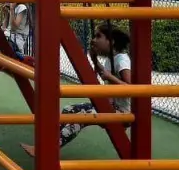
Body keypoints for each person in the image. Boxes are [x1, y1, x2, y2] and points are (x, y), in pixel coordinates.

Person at [20, 23, 132, 157]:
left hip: (123, 113)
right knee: (68, 110)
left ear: (111, 41)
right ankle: (44, 145)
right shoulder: (111, 59)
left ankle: (45, 150)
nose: (94, 40)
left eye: (98, 36)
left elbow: (131, 89)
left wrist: (110, 77)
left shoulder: (122, 60)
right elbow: (105, 74)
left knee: (78, 118)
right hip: (112, 107)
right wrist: (94, 59)